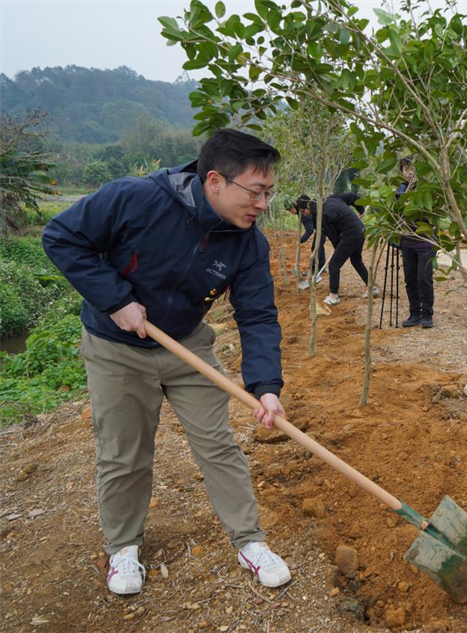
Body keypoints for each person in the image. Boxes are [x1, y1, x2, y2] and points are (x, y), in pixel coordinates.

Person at [42, 129, 293, 595]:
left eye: (268, 193)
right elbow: (61, 237)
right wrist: (116, 300)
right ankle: (123, 548)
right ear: (215, 181)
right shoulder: (134, 199)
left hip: (186, 344)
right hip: (116, 347)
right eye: (255, 192)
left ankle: (249, 541)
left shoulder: (248, 243)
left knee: (218, 445)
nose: (262, 204)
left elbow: (258, 315)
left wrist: (266, 387)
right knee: (124, 452)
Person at [316, 192, 376, 306]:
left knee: (334, 264)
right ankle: (372, 287)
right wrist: (361, 210)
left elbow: (333, 236)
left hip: (351, 234)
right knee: (356, 261)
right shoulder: (333, 198)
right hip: (360, 230)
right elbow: (351, 196)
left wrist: (338, 247)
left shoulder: (324, 213)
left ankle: (333, 297)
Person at [396, 158, 436, 328]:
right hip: (407, 241)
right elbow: (396, 211)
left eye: (412, 169)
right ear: (401, 172)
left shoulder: (426, 188)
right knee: (410, 279)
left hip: (425, 240)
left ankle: (427, 314)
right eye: (406, 169)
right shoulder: (399, 189)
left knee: (424, 278)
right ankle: (414, 314)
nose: (409, 172)